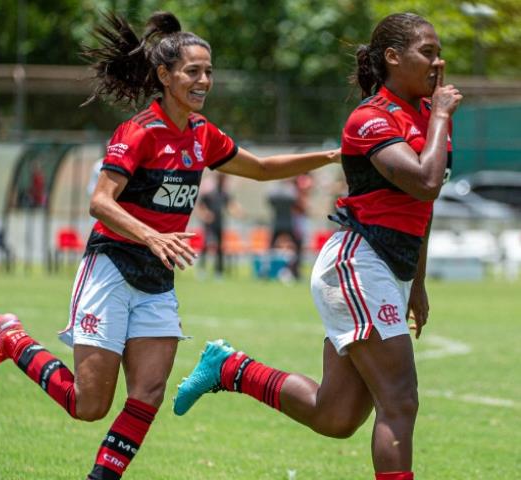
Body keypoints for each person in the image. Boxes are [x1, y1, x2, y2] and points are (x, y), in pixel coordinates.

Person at [0, 11, 339, 480]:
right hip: (111, 267)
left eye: (208, 71)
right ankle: (14, 341)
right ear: (164, 76)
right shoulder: (140, 131)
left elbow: (263, 169)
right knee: (89, 405)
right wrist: (151, 235)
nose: (204, 80)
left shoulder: (203, 134)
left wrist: (329, 155)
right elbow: (100, 203)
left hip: (157, 279)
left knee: (148, 392)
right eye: (193, 71)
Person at [174, 12, 462, 480]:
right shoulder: (371, 118)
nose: (438, 62)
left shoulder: (428, 116)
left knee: (337, 416)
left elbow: (420, 208)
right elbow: (426, 183)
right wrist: (444, 116)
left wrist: (418, 282)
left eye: (437, 52)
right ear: (393, 58)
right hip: (358, 263)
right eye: (426, 52)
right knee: (400, 399)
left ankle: (232, 370)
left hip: (389, 270)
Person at [195, 172, 242, 277]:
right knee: (206, 246)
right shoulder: (209, 193)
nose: (223, 180)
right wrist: (205, 215)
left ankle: (219, 271)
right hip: (209, 224)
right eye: (221, 178)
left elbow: (230, 206)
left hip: (219, 223)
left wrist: (237, 212)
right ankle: (202, 270)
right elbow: (200, 207)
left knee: (220, 248)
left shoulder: (225, 194)